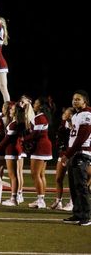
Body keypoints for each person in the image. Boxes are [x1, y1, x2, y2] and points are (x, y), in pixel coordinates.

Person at [62, 90, 91, 226]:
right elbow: (72, 137)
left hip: (82, 152)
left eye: (78, 99)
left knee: (81, 186)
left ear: (85, 101)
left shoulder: (87, 114)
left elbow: (82, 136)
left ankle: (86, 216)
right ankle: (78, 213)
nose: (75, 101)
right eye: (74, 99)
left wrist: (67, 154)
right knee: (74, 186)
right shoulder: (76, 115)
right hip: (74, 152)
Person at [50, 107, 74, 211]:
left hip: (73, 154)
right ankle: (58, 201)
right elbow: (59, 139)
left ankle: (72, 202)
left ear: (71, 114)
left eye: (67, 112)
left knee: (73, 180)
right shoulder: (63, 123)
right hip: (63, 154)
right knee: (59, 178)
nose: (64, 113)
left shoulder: (77, 124)